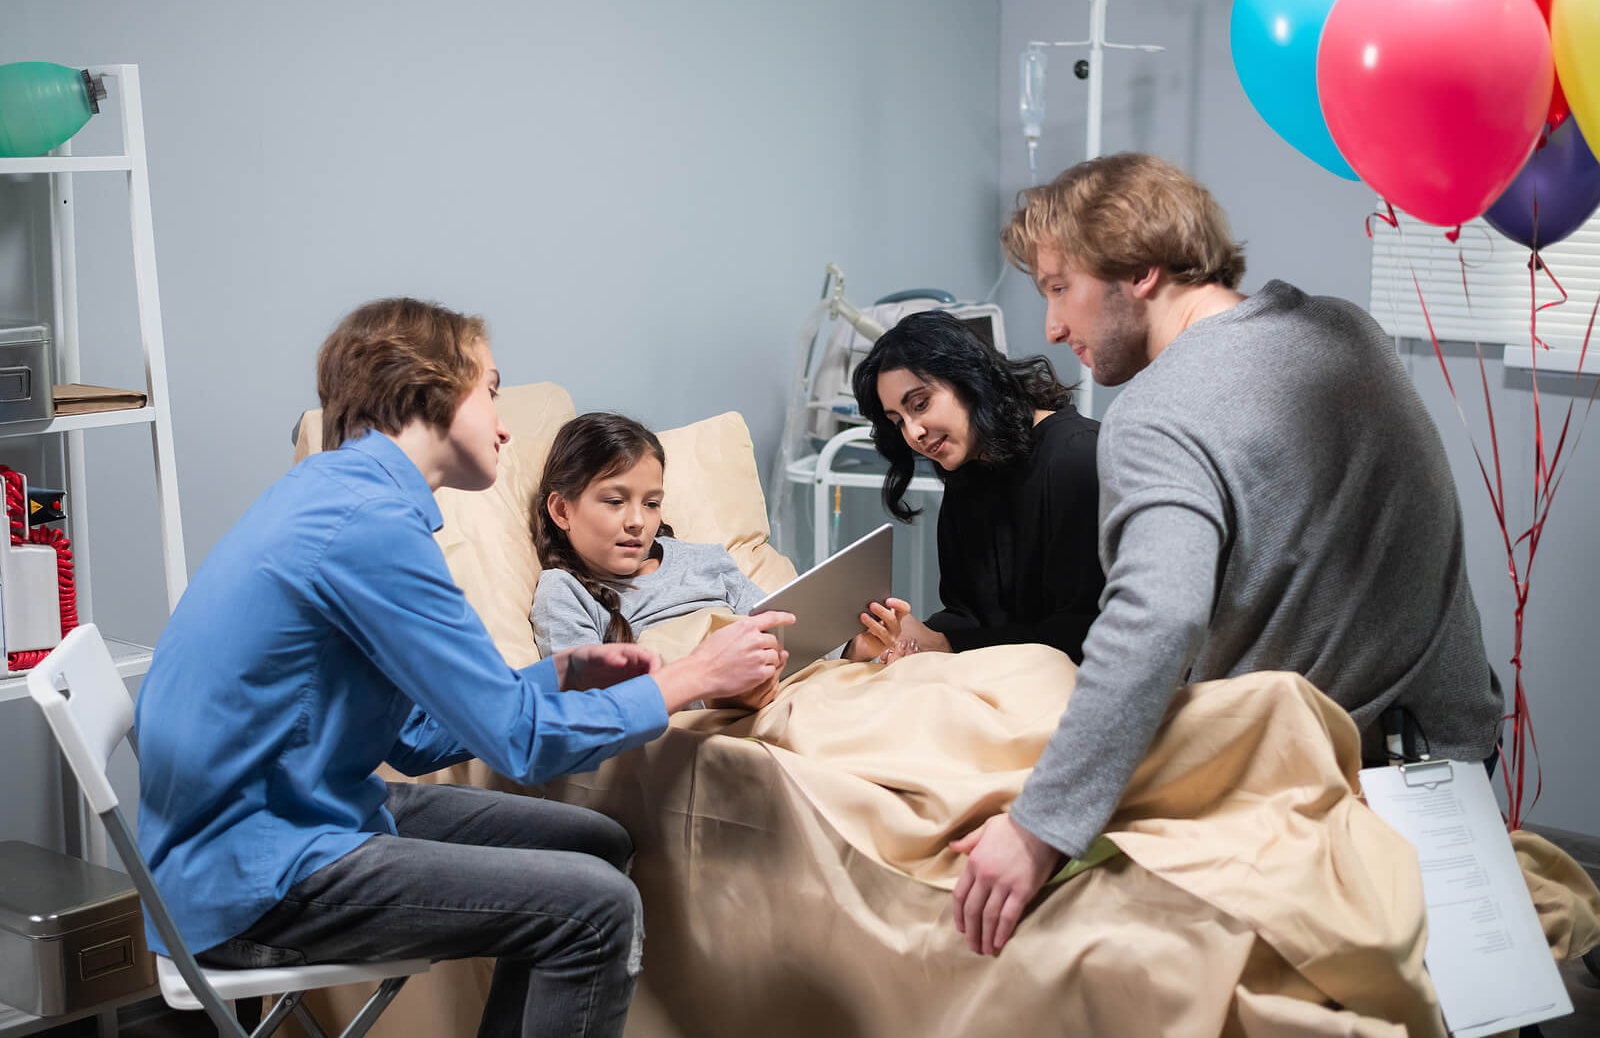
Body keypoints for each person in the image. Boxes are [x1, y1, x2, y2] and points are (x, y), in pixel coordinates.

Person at [134, 298, 792, 1038]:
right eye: (492, 389)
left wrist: (561, 673)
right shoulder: (368, 526)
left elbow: (412, 737)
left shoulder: (340, 496)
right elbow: (521, 742)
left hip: (290, 814)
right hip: (258, 872)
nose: (505, 423)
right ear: (431, 392)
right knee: (597, 907)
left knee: (598, 843)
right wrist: (689, 678)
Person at [949, 153, 1504, 958]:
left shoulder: (1158, 412)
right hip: (1453, 748)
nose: (1053, 328)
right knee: (1475, 1007)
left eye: (1059, 287)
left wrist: (1040, 825)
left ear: (1139, 270)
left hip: (1326, 792)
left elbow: (1156, 614)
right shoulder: (1347, 330)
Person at [531, 412, 892, 706]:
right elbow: (593, 710)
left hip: (785, 692)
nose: (638, 521)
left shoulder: (706, 560)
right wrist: (720, 692)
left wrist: (853, 652)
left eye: (652, 503)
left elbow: (783, 647)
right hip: (716, 716)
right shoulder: (565, 591)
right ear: (562, 510)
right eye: (615, 501)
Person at [848, 310, 1104, 663]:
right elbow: (969, 615)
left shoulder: (1078, 458)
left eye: (920, 404)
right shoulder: (970, 470)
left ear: (970, 381)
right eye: (898, 422)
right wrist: (915, 639)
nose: (913, 433)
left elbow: (1084, 633)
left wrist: (946, 645)